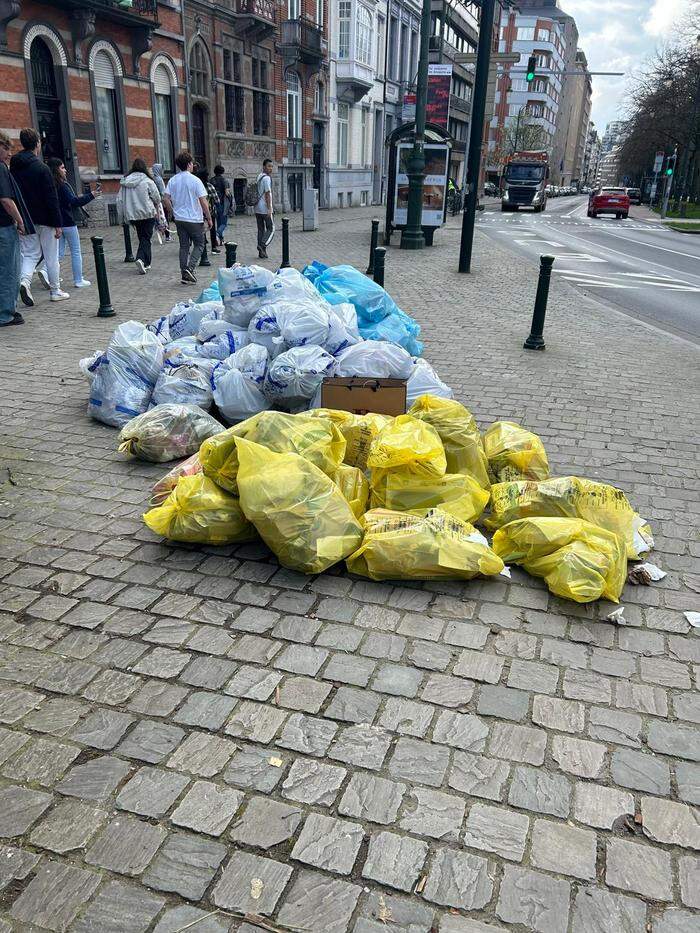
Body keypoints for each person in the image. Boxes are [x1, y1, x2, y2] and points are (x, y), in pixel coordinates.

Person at [10, 127, 67, 306]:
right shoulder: (42, 169)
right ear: (37, 144)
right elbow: (51, 198)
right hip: (46, 219)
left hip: (25, 218)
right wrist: (58, 224)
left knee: (29, 254)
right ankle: (55, 290)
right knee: (51, 255)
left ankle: (24, 281)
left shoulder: (14, 168)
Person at [42, 158, 98, 289]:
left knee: (58, 252)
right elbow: (73, 201)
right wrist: (92, 195)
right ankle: (78, 279)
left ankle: (46, 272)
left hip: (56, 223)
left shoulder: (48, 185)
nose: (65, 170)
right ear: (56, 170)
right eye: (62, 168)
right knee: (76, 251)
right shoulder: (62, 185)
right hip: (67, 221)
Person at [164, 151, 212, 285]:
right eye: (192, 163)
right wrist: (209, 218)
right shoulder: (195, 180)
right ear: (189, 164)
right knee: (200, 244)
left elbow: (166, 199)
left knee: (184, 246)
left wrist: (172, 212)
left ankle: (183, 272)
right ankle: (189, 269)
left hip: (179, 218)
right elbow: (203, 201)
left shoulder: (173, 180)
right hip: (194, 218)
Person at [0, 131, 32, 327]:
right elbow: (6, 200)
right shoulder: (1, 169)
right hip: (3, 227)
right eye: (5, 148)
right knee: (8, 270)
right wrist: (20, 221)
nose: (9, 153)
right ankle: (6, 313)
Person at [116, 158, 161, 275]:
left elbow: (119, 201)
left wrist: (121, 218)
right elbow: (157, 197)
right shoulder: (147, 181)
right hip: (147, 213)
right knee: (146, 238)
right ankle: (140, 258)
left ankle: (147, 262)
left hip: (133, 215)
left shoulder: (125, 182)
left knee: (143, 237)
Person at [197, 167, 220, 254]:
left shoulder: (196, 186)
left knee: (200, 229)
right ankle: (213, 247)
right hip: (210, 211)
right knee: (212, 228)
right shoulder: (209, 186)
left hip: (198, 211)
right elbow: (217, 200)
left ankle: (202, 247)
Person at [254, 158, 274, 259]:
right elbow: (267, 194)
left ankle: (262, 252)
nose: (271, 168)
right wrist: (269, 208)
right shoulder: (266, 178)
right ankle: (262, 245)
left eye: (272, 166)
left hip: (257, 207)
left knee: (261, 230)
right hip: (264, 208)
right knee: (271, 228)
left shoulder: (259, 176)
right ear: (264, 167)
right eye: (269, 166)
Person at [212, 164, 231, 247]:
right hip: (222, 203)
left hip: (213, 203)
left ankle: (220, 239)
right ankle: (217, 234)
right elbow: (227, 193)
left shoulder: (211, 180)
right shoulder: (224, 180)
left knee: (218, 222)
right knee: (223, 223)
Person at [152, 163, 172, 242]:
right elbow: (163, 193)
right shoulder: (159, 179)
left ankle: (161, 233)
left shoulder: (153, 178)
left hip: (155, 203)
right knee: (164, 218)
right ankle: (167, 236)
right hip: (161, 203)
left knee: (157, 219)